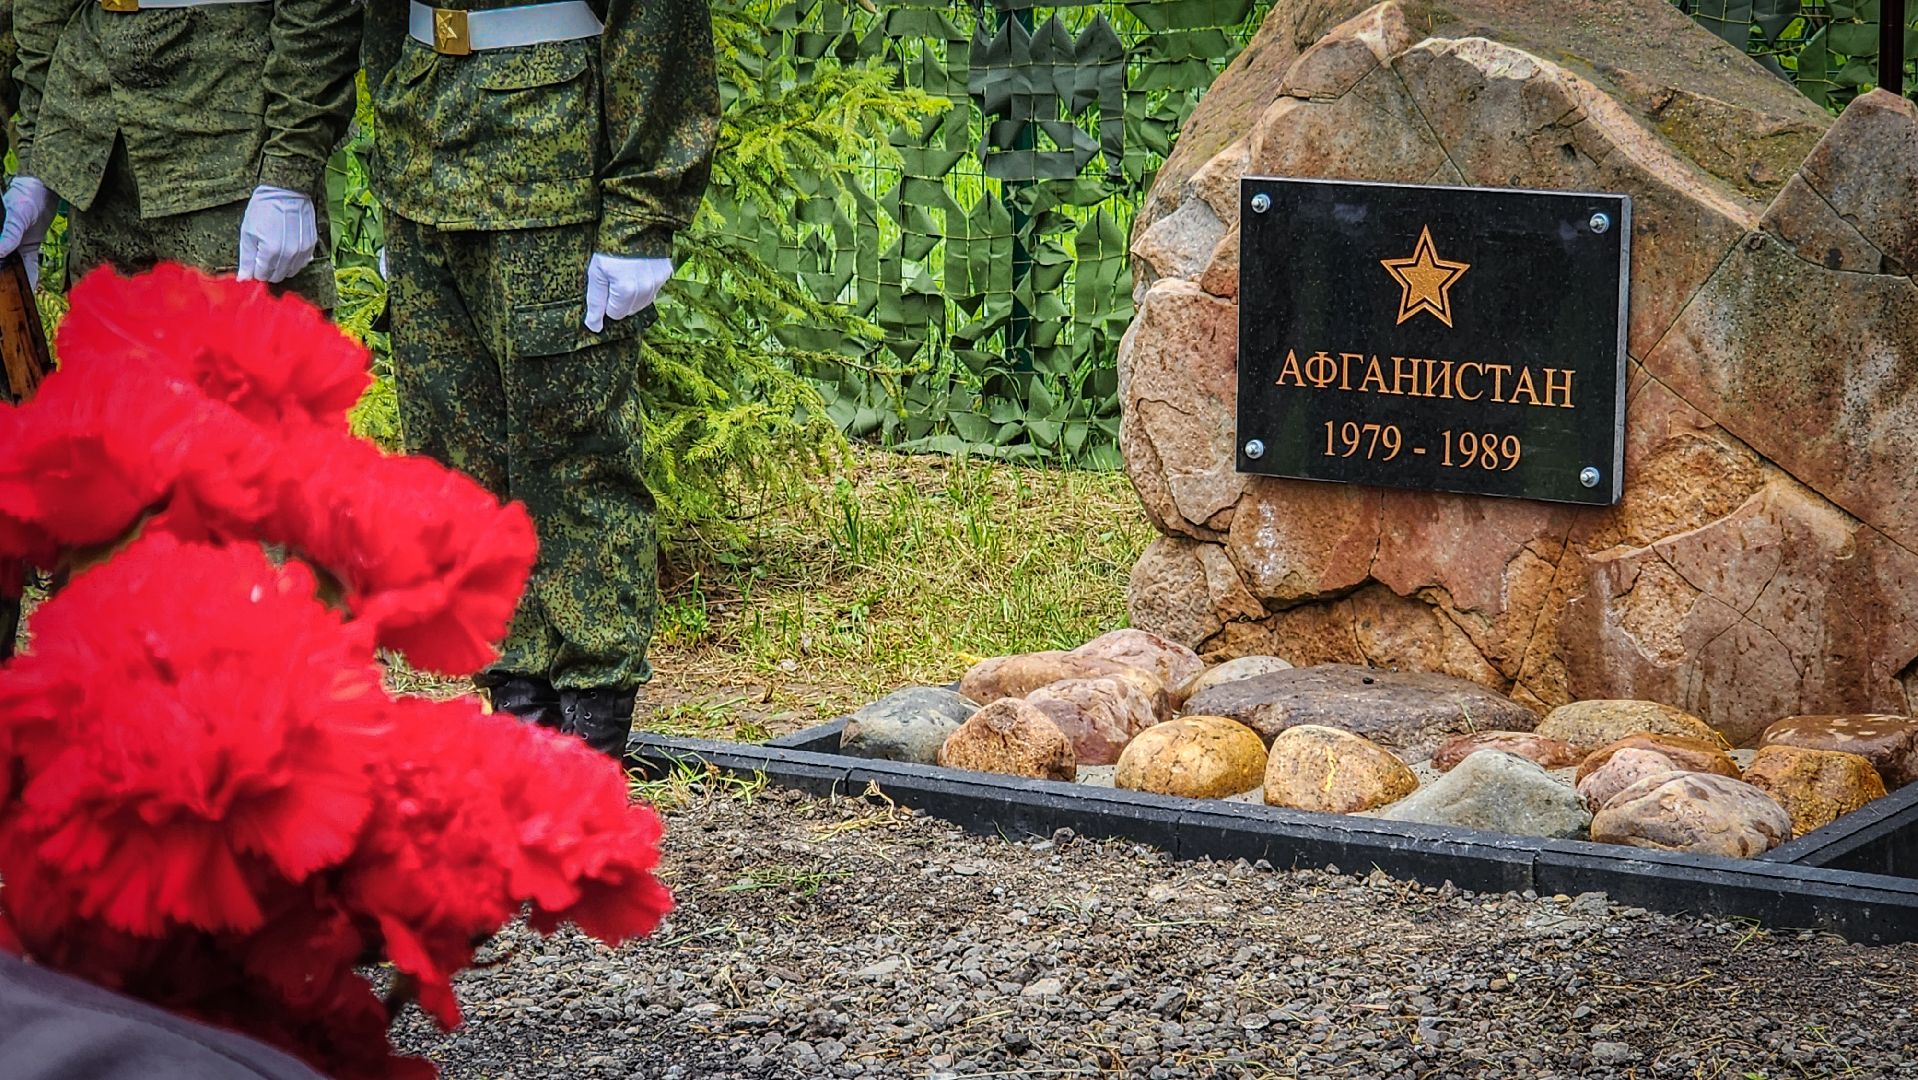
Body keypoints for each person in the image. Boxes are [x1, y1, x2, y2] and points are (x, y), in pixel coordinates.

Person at [363, 2, 719, 758]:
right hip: (424, 163)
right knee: (461, 466)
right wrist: (400, 171)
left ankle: (588, 761)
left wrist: (642, 215)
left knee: (575, 461)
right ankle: (521, 739)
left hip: (552, 168)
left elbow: (657, 19)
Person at [2, 0, 360, 306]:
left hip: (235, 147)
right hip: (101, 150)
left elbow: (317, 10)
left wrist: (290, 169)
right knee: (111, 362)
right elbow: (42, 13)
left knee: (251, 363)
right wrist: (39, 163)